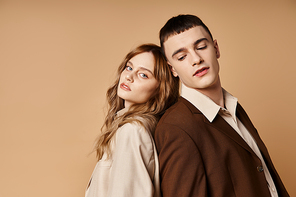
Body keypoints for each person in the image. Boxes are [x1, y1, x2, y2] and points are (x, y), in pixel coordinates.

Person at [154, 14, 289, 197]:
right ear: (172, 69)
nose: (196, 59)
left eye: (201, 47)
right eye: (182, 56)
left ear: (216, 48)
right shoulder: (176, 127)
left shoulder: (233, 107)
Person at [85, 43, 179, 197]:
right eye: (129, 67)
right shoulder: (132, 126)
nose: (129, 76)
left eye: (143, 75)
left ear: (160, 89)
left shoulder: (133, 130)